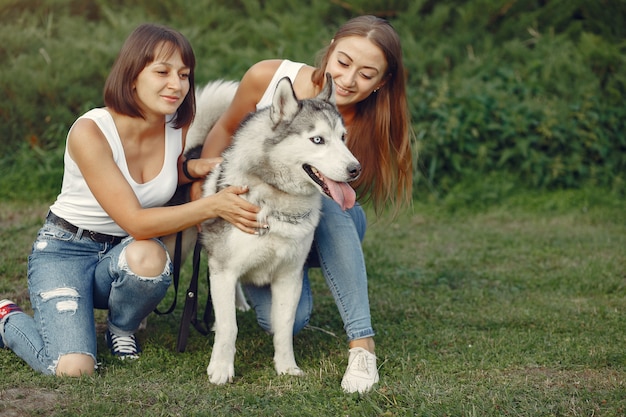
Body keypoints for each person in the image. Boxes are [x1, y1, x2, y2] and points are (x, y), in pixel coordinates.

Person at [0, 23, 264, 377]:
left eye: (184, 75)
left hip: (124, 254)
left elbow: (160, 175)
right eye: (162, 71)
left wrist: (192, 168)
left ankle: (122, 328)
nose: (177, 84)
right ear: (132, 75)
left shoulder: (174, 128)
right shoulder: (90, 130)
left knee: (150, 255)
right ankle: (7, 318)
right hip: (66, 250)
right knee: (74, 369)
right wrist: (213, 205)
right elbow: (136, 221)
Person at [192, 15, 413, 393]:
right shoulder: (269, 77)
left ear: (382, 81)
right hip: (259, 200)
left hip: (320, 221)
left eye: (367, 74)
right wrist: (208, 197)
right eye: (343, 63)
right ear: (330, 50)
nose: (348, 79)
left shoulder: (368, 119)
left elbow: (346, 186)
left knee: (334, 209)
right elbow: (226, 129)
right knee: (290, 321)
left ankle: (362, 345)